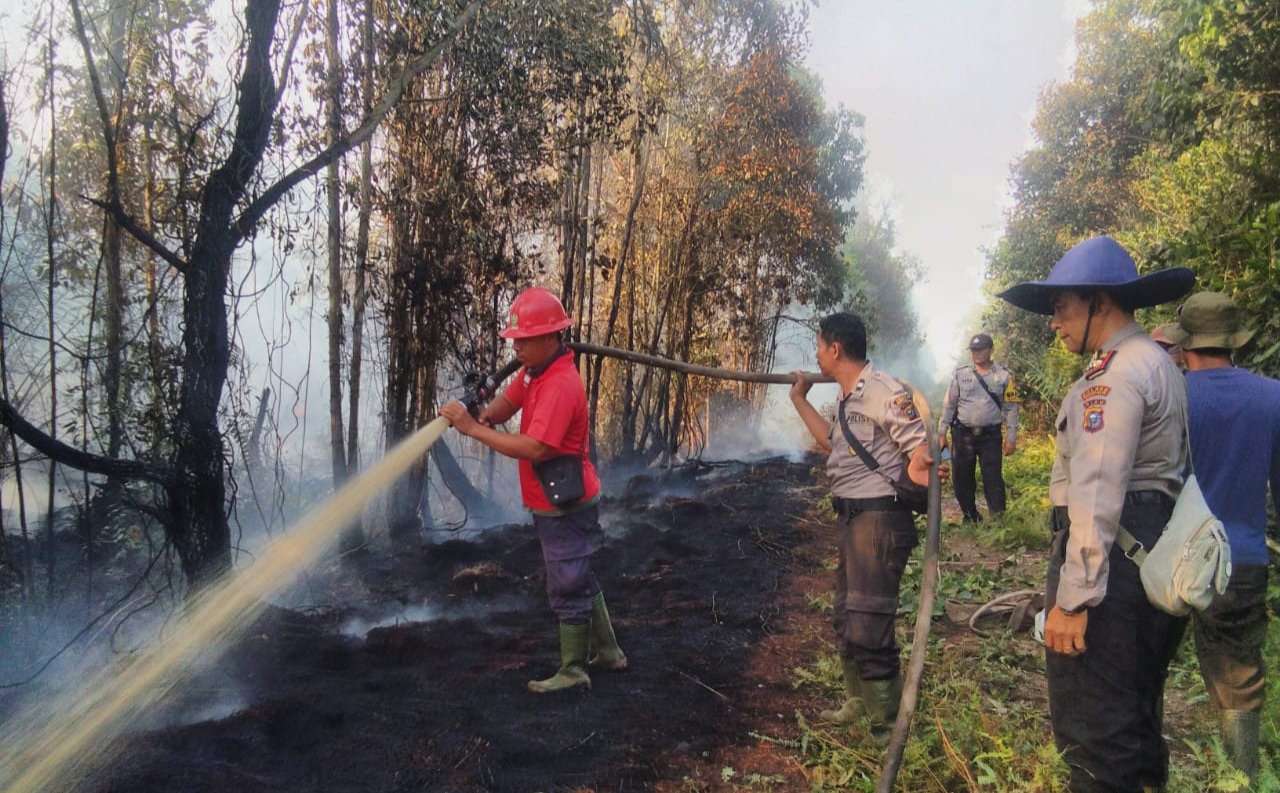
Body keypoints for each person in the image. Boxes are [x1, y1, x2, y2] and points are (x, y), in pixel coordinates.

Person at [996, 235, 1195, 793]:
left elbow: (1098, 485)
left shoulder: (1112, 376)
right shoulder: (1156, 362)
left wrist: (1076, 596)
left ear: (1099, 303)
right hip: (1147, 550)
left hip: (1112, 565)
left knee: (1093, 731)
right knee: (1135, 716)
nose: (1054, 322)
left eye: (1062, 307)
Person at [439, 287, 626, 694]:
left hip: (566, 505)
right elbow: (509, 401)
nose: (517, 346)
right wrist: (484, 413)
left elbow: (535, 447)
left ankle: (574, 671)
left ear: (550, 338)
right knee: (578, 573)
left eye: (524, 339)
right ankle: (609, 652)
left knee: (566, 581)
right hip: (554, 498)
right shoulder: (535, 372)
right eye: (516, 340)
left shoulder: (561, 384)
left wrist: (472, 430)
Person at [788, 311, 939, 740]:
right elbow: (832, 443)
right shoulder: (846, 397)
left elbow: (921, 448)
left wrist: (925, 465)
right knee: (846, 616)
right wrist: (799, 400)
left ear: (835, 349)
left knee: (869, 620)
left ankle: (886, 726)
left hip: (879, 520)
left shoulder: (884, 392)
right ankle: (859, 702)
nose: (816, 355)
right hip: (853, 520)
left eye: (819, 346)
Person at [1167, 292, 1280, 782]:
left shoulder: (1171, 395)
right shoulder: (1272, 396)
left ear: (1184, 342)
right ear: (1234, 341)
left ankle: (1147, 775)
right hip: (1243, 559)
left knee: (1146, 663)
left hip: (1170, 558)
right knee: (1239, 678)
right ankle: (1244, 778)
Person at [939, 333, 1020, 522]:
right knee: (961, 479)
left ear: (991, 350)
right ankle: (970, 516)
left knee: (993, 479)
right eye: (973, 351)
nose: (976, 354)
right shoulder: (960, 375)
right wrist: (942, 432)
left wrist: (1011, 437)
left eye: (980, 350)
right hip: (962, 434)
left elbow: (1011, 408)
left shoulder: (1004, 376)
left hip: (990, 436)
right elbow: (949, 405)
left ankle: (998, 521)